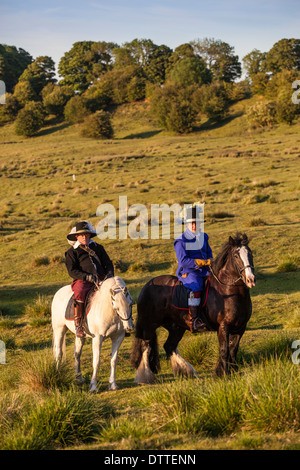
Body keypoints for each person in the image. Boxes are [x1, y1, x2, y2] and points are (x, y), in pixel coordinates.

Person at [65, 220, 114, 337]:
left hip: (102, 278)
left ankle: (124, 323)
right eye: (82, 235)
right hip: (83, 280)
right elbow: (72, 271)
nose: (85, 236)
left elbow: (108, 263)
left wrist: (110, 275)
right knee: (80, 292)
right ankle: (79, 326)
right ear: (77, 236)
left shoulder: (98, 248)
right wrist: (86, 276)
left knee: (119, 290)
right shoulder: (72, 252)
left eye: (87, 234)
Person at [174, 206, 213, 333]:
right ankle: (194, 320)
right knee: (196, 285)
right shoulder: (180, 241)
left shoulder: (204, 236)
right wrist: (201, 262)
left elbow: (208, 252)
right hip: (188, 271)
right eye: (191, 223)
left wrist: (210, 261)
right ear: (187, 224)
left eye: (196, 223)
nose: (194, 225)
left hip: (205, 269)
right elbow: (183, 261)